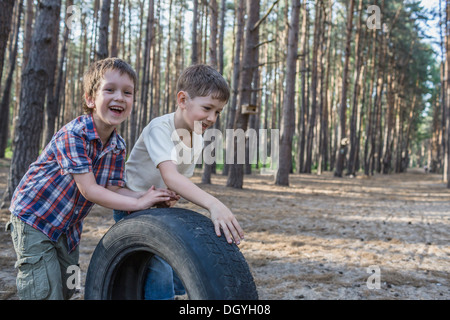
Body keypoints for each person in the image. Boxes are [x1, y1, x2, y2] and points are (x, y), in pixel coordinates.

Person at [6, 58, 175, 300]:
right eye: (110, 89)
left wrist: (148, 196)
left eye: (127, 92)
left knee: (67, 288)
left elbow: (113, 189)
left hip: (67, 227)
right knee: (44, 290)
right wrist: (138, 204)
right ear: (90, 99)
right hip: (35, 219)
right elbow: (89, 190)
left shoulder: (118, 145)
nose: (119, 97)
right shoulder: (74, 134)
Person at [113, 64, 245, 300]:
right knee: (159, 271)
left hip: (157, 207)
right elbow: (170, 176)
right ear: (183, 100)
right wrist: (214, 204)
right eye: (207, 108)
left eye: (218, 112)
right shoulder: (160, 128)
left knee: (176, 271)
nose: (212, 118)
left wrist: (170, 197)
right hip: (131, 204)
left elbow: (178, 179)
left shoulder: (197, 137)